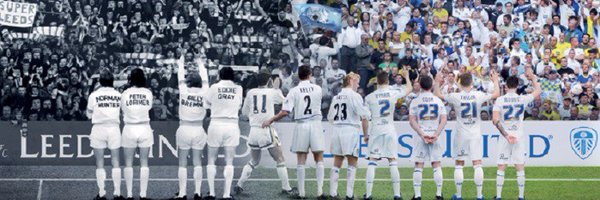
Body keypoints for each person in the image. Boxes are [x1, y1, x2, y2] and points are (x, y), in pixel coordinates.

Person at [434, 71, 501, 200]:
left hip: (461, 134)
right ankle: (479, 195)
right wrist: (495, 80)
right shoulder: (478, 95)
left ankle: (458, 195)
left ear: (460, 83)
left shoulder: (455, 96)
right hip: (475, 133)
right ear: (471, 82)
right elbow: (496, 94)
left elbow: (437, 94)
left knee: (459, 164)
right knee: (477, 163)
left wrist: (437, 81)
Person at [263, 65, 326, 199]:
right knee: (319, 157)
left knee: (301, 159)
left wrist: (271, 119)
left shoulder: (294, 91)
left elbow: (285, 111)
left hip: (301, 124)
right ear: (310, 75)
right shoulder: (318, 89)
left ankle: (302, 194)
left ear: (298, 76)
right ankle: (320, 192)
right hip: (315, 124)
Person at [234, 71, 297, 196]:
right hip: (267, 129)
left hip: (253, 130)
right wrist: (277, 88)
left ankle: (239, 185)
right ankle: (287, 188)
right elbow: (285, 102)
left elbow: (244, 112)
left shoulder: (250, 93)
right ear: (268, 81)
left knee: (254, 161)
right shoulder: (272, 92)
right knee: (280, 159)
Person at [492, 70, 541, 200]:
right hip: (518, 136)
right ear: (517, 86)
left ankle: (498, 196)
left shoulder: (500, 100)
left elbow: (495, 120)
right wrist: (533, 78)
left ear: (506, 86)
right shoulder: (522, 99)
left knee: (501, 166)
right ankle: (520, 196)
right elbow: (538, 92)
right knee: (519, 167)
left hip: (505, 136)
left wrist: (506, 135)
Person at [363, 70, 412, 200]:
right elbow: (409, 89)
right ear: (388, 81)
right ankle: (396, 194)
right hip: (389, 129)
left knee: (372, 161)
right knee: (393, 161)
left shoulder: (369, 97)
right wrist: (407, 76)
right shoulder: (393, 93)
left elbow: (364, 118)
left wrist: (365, 135)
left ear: (377, 81)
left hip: (376, 130)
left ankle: (368, 195)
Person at [326, 73, 370, 199]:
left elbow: (330, 117)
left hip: (337, 130)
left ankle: (333, 193)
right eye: (357, 82)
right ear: (351, 81)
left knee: (337, 162)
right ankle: (349, 195)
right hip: (350, 130)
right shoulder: (355, 96)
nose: (358, 85)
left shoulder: (336, 97)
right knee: (352, 162)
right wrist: (366, 133)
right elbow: (364, 115)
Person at [172, 56, 209, 200]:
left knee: (182, 162)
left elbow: (180, 76)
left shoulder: (183, 91)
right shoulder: (205, 91)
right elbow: (206, 79)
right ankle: (198, 193)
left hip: (184, 129)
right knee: (197, 162)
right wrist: (200, 63)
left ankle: (182, 193)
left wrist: (181, 62)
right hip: (199, 129)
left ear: (188, 82)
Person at [205, 67, 243, 200]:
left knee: (211, 160)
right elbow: (239, 105)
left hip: (215, 124)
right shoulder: (238, 88)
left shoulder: (214, 87)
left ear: (220, 75)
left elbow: (207, 104)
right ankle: (226, 195)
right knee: (229, 161)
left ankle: (211, 193)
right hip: (232, 124)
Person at [409, 75, 448, 200]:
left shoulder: (415, 101)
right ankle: (438, 194)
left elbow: (412, 120)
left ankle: (418, 195)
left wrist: (422, 133)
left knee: (419, 164)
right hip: (434, 134)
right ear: (432, 86)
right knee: (436, 164)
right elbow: (444, 119)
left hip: (422, 134)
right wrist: (436, 134)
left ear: (419, 85)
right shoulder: (438, 101)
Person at [86, 70, 124, 200]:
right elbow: (123, 112)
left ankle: (102, 193)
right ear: (112, 81)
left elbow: (88, 114)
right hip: (114, 129)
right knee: (116, 161)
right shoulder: (119, 95)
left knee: (100, 162)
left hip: (98, 129)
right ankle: (117, 193)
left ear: (100, 81)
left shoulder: (93, 95)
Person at [120, 68, 154, 200]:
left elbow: (123, 108)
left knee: (128, 163)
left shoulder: (125, 93)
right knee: (144, 162)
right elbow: (149, 107)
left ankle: (129, 195)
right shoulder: (148, 92)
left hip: (129, 128)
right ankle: (143, 195)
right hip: (144, 128)